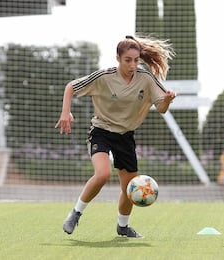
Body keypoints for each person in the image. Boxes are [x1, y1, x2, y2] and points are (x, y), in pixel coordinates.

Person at [55, 35, 176, 238]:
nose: (132, 64)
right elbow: (71, 87)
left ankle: (123, 226)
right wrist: (65, 112)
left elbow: (161, 108)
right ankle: (75, 214)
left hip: (125, 136)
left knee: (130, 187)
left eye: (136, 60)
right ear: (118, 58)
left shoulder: (145, 78)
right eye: (128, 60)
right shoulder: (104, 76)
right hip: (101, 132)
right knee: (102, 174)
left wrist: (168, 100)